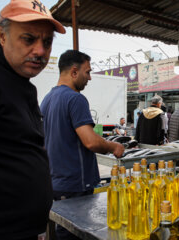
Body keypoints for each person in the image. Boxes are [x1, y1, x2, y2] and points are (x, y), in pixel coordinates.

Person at [0, 0, 66, 239]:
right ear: (1, 34)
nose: (40, 51)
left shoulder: (24, 86)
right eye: (29, 39)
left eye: (47, 42)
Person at [40, 50, 124, 239]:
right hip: (74, 184)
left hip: (55, 182)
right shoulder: (75, 99)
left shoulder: (47, 100)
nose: (90, 78)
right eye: (88, 72)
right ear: (74, 72)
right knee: (74, 234)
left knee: (62, 231)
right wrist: (114, 147)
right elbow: (91, 141)